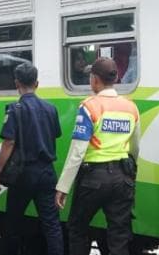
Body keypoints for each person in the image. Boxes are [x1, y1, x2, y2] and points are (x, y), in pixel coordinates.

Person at [56, 58, 141, 255]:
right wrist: (130, 173)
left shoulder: (89, 106)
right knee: (119, 234)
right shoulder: (131, 107)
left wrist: (63, 187)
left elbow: (77, 151)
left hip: (93, 179)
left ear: (94, 80)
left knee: (77, 228)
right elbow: (135, 147)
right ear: (116, 78)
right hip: (123, 177)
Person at [0, 63, 63, 255]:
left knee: (12, 223)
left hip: (23, 174)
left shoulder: (14, 109)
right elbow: (55, 134)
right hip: (47, 172)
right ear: (37, 83)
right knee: (52, 225)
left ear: (16, 83)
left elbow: (9, 143)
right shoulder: (51, 108)